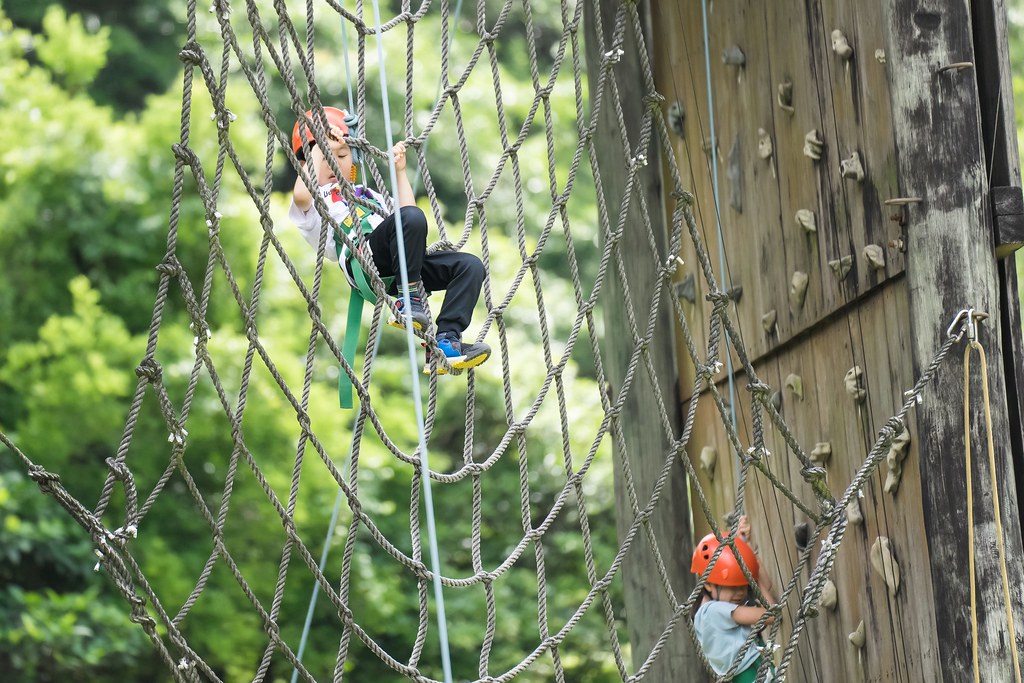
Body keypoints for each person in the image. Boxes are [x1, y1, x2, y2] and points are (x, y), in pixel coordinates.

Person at [288, 106, 490, 374]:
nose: (334, 163)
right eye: (325, 157)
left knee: (470, 266)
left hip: (401, 267)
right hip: (363, 261)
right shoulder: (315, 200)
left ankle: (446, 343)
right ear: (308, 162)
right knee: (410, 219)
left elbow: (408, 217)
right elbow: (302, 195)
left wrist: (399, 172)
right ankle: (410, 300)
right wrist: (317, 145)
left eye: (342, 155)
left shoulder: (367, 195)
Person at [690, 515, 777, 682]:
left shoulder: (706, 609)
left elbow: (767, 584)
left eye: (744, 585)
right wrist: (749, 570)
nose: (741, 593)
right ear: (708, 584)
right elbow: (771, 613)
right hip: (749, 675)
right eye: (733, 586)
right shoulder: (714, 612)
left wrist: (745, 551)